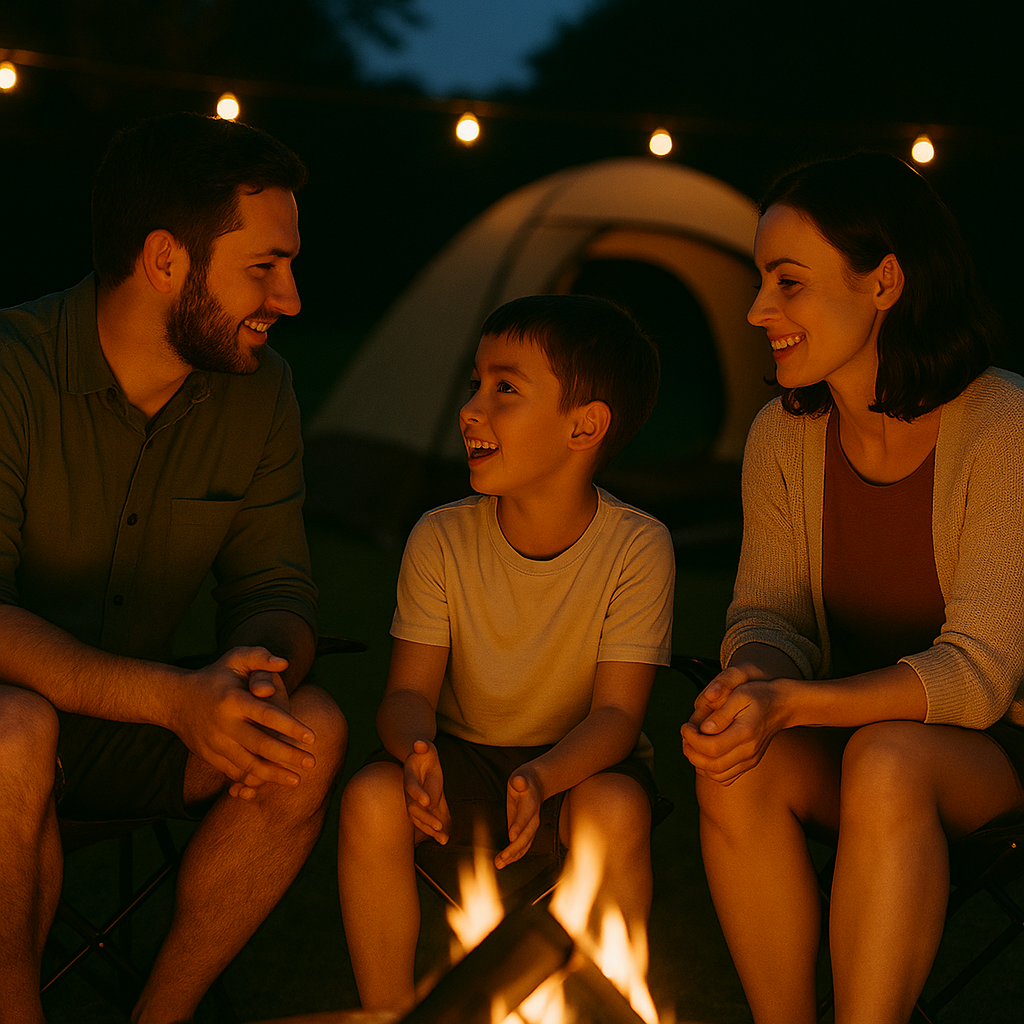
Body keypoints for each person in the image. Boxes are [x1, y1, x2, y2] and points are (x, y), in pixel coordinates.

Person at [0, 111, 347, 1024]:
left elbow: (278, 591)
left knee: (304, 732)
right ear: (166, 261)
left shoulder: (260, 392)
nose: (291, 298)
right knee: (14, 731)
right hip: (8, 731)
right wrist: (174, 698)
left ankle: (163, 1017)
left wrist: (256, 676)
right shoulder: (12, 374)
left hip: (135, 735)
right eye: (264, 268)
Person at [681, 151, 1024, 1024]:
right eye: (763, 282)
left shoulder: (1003, 424)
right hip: (845, 734)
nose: (759, 310)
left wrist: (790, 703)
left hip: (989, 757)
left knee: (887, 755)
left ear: (885, 282)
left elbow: (978, 674)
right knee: (734, 763)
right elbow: (769, 617)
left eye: (788, 283)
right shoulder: (784, 436)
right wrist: (749, 683)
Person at [337, 293, 674, 1011]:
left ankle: (596, 1007)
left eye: (505, 390)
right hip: (457, 755)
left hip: (575, 764)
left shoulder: (636, 547)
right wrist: (415, 749)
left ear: (585, 426)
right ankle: (389, 1014)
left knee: (616, 808)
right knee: (370, 798)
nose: (471, 410)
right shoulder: (442, 537)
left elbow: (617, 715)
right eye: (474, 386)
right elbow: (405, 696)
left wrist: (543, 777)